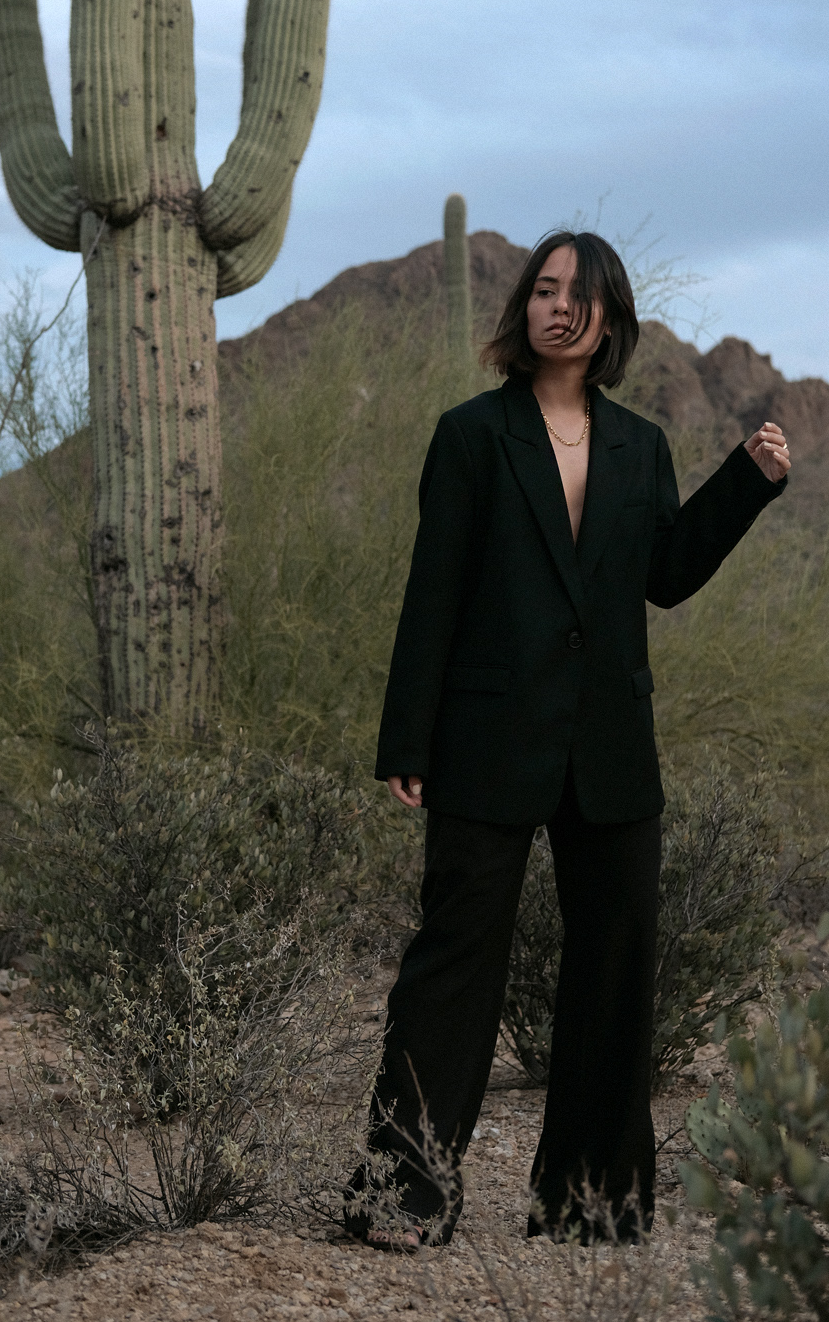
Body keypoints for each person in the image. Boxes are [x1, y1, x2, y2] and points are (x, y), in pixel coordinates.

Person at [344, 230, 790, 1251]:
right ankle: (401, 1194)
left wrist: (746, 483)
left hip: (609, 749)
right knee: (451, 969)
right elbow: (434, 591)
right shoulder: (469, 436)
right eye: (542, 289)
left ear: (608, 319)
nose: (557, 307)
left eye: (578, 294)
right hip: (485, 743)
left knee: (615, 970)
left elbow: (665, 574)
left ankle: (593, 1203)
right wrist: (406, 734)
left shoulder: (639, 445)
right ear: (522, 310)